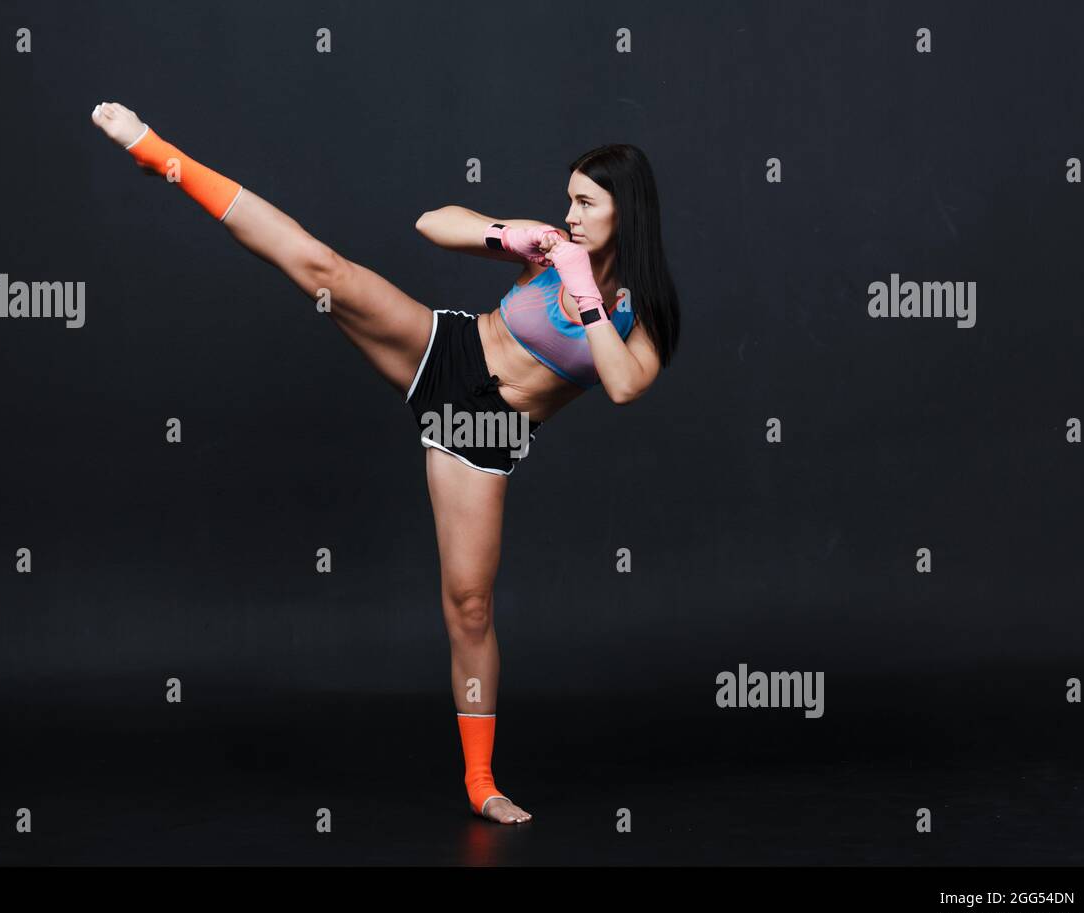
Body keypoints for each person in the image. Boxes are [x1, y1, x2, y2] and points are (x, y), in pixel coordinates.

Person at [90, 101, 681, 823]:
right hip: (448, 349)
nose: (571, 215)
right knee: (323, 268)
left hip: (486, 430)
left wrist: (587, 299)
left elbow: (623, 385)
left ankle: (480, 783)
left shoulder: (640, 310)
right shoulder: (550, 245)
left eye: (586, 203)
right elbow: (433, 223)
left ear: (630, 212)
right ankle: (158, 151)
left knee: (469, 607)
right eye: (568, 200)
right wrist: (512, 234)